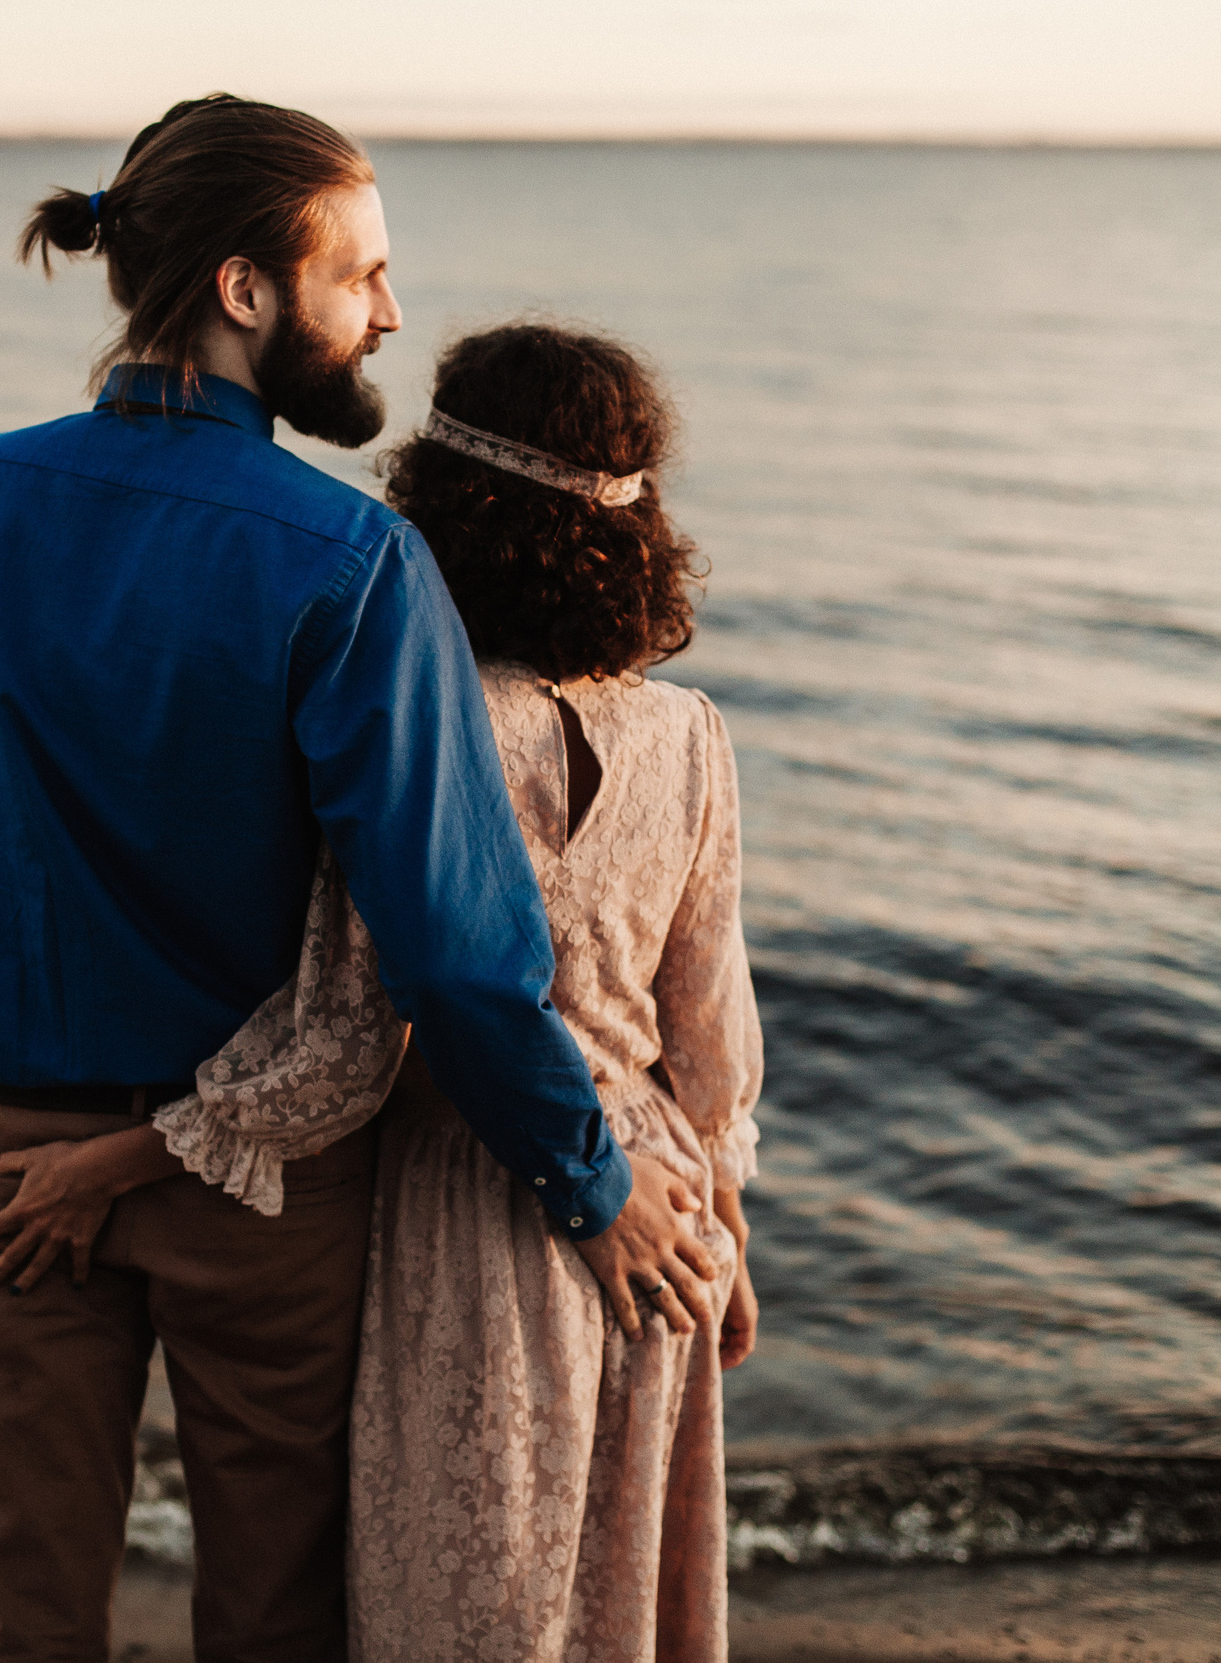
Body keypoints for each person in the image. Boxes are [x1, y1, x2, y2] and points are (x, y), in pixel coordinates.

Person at [0, 97, 717, 1662]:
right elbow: (455, 957)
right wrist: (592, 1186)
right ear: (247, 290)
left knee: (23, 1620)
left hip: (16, 1162)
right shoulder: (351, 562)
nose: (389, 312)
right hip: (259, 1204)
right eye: (362, 274)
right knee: (273, 1620)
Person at [159, 323, 764, 1662]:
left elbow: (345, 1037)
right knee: (621, 1607)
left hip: (481, 1204)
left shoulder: (432, 732)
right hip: (666, 1211)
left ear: (447, 507)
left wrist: (123, 1153)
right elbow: (712, 1042)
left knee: (472, 1607)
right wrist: (727, 1233)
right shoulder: (693, 736)